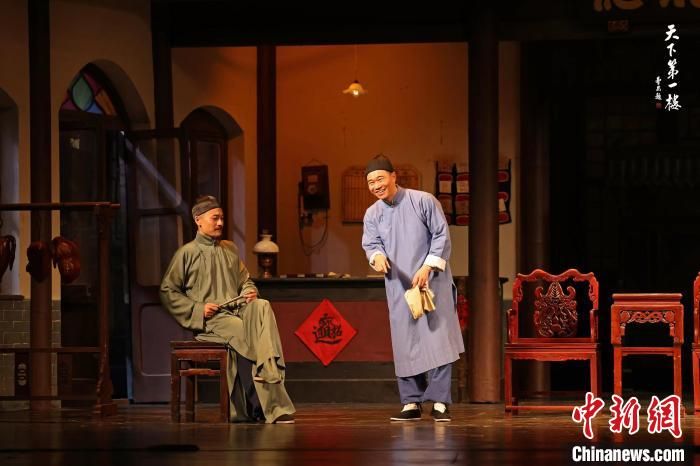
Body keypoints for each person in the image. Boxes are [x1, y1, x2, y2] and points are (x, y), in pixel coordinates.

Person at [160, 195, 295, 424]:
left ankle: (266, 376)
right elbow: (167, 290)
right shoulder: (186, 253)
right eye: (215, 218)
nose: (220, 223)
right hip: (213, 321)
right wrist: (198, 308)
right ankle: (267, 406)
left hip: (238, 312)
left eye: (222, 218)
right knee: (248, 334)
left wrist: (249, 292)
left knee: (261, 305)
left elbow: (245, 281)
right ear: (198, 220)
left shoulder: (230, 249)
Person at [361, 154, 464, 422]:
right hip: (399, 284)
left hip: (432, 281)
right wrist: (376, 256)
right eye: (371, 182)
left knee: (438, 339)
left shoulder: (423, 201)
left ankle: (440, 401)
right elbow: (371, 244)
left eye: (380, 179)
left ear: (394, 176)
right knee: (405, 342)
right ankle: (411, 401)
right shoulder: (372, 214)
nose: (376, 186)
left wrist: (427, 267)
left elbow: (441, 235)